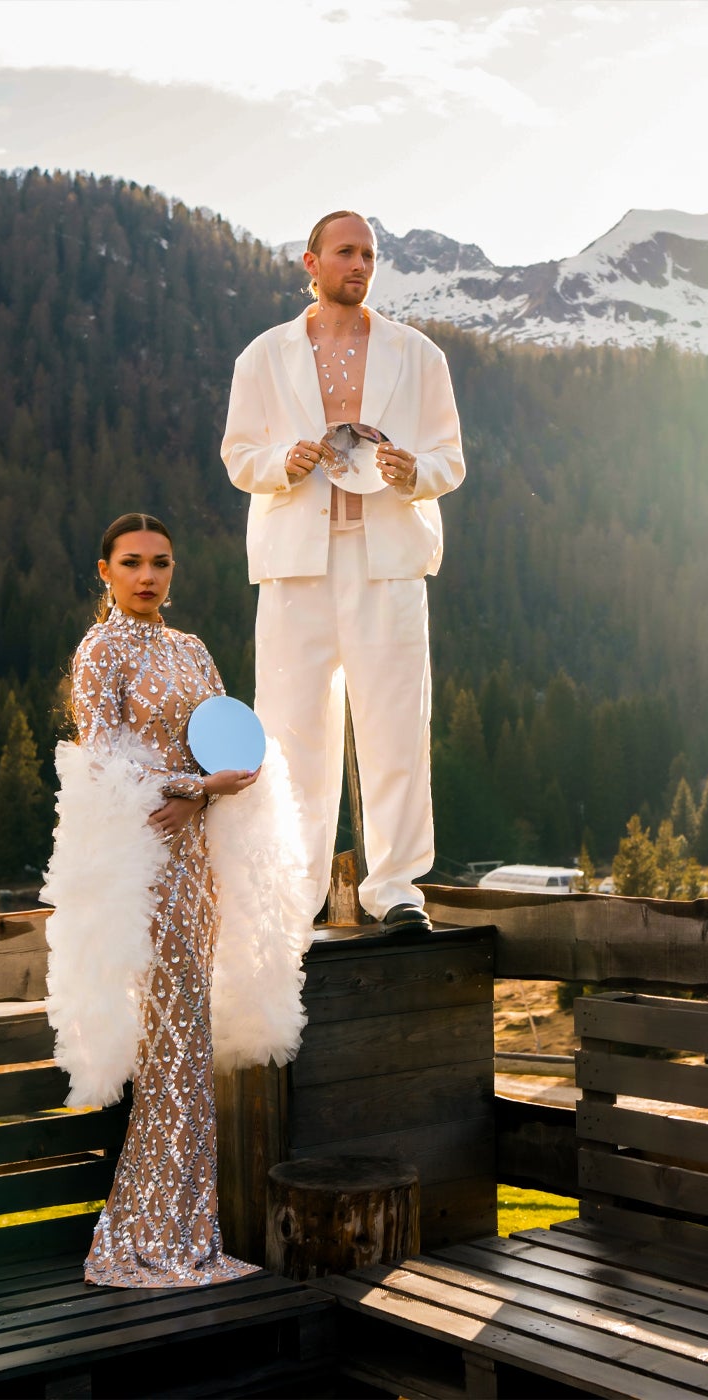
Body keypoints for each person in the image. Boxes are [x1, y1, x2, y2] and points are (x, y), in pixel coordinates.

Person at [41, 512, 311, 1288]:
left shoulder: (192, 650)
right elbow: (101, 764)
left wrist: (208, 791)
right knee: (171, 1051)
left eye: (160, 563)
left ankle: (186, 1236)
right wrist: (194, 787)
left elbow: (234, 749)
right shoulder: (100, 651)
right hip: (144, 872)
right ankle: (144, 1240)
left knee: (191, 1050)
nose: (148, 576)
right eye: (131, 563)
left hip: (198, 869)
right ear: (105, 572)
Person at [221, 209, 466, 933]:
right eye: (346, 252)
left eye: (369, 255)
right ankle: (291, 896)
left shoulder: (417, 354)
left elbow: (450, 460)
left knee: (395, 726)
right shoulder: (262, 356)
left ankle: (394, 888)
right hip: (295, 563)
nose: (359, 265)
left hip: (388, 559)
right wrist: (283, 461)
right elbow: (238, 457)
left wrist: (414, 471)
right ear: (312, 262)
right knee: (289, 733)